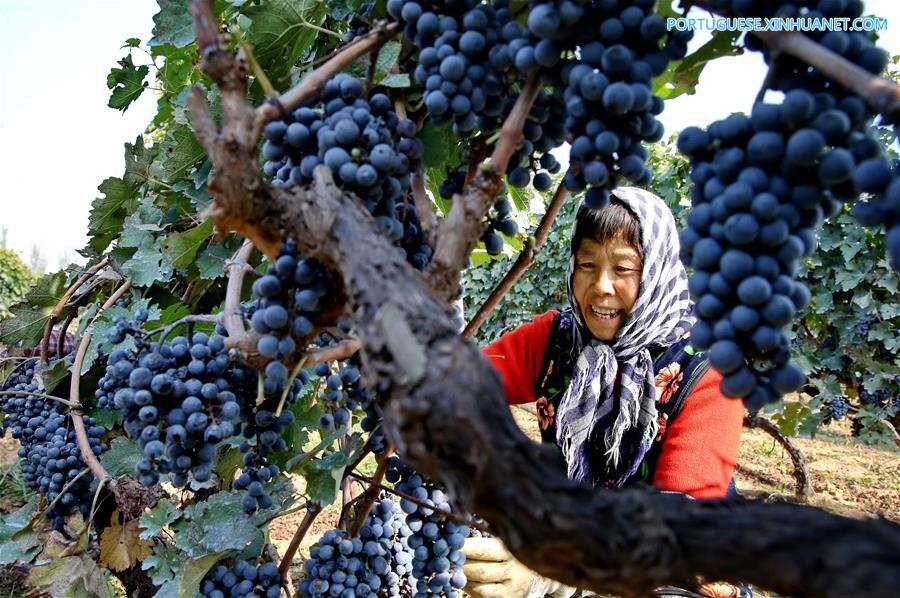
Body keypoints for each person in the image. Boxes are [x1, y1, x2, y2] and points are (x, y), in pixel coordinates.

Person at [462, 187, 747, 598]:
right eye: (588, 264)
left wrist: (546, 575)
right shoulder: (556, 339)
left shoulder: (709, 372)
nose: (601, 286)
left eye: (624, 268)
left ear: (656, 271)